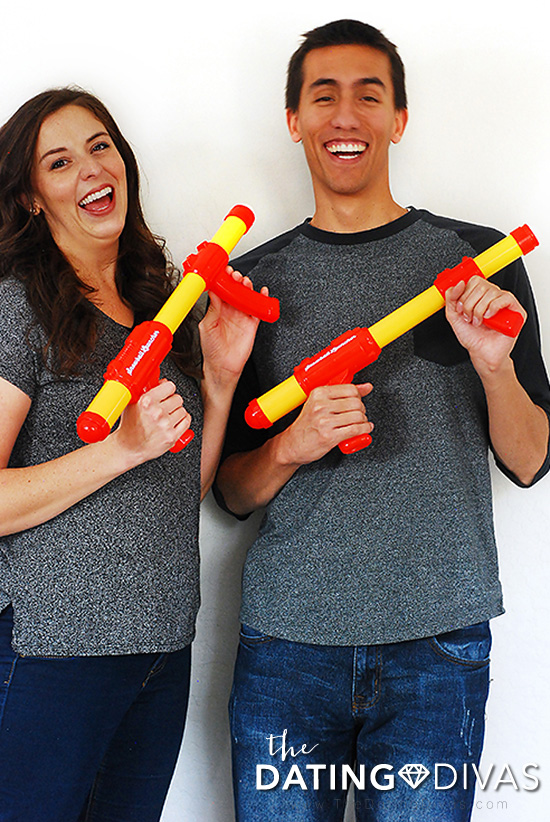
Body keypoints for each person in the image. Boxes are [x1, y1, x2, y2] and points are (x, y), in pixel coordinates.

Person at [214, 19, 550, 822]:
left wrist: (492, 365)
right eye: (322, 95)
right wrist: (292, 445)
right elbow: (228, 494)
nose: (345, 115)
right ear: (293, 120)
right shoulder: (252, 283)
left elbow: (532, 460)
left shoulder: (479, 261)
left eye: (370, 95)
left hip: (439, 644)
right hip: (286, 645)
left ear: (399, 120)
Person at [0, 87, 266, 822]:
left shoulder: (165, 301)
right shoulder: (18, 307)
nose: (90, 168)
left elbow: (180, 488)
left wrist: (217, 376)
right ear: (30, 197)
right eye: (59, 161)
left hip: (160, 648)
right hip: (52, 652)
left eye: (100, 146)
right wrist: (118, 449)